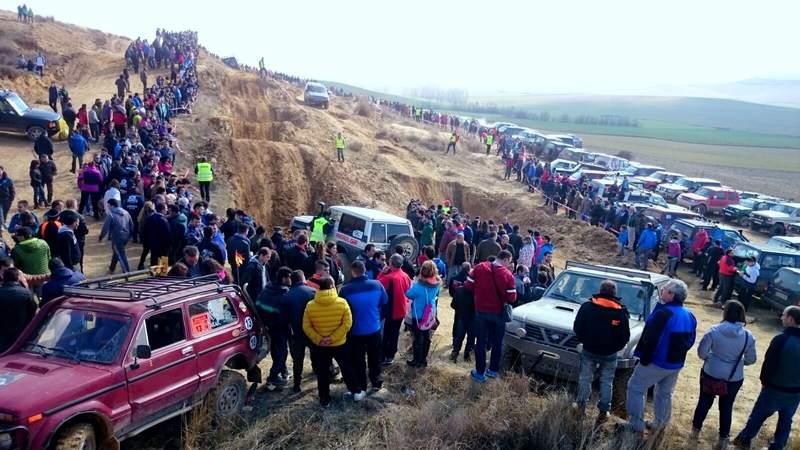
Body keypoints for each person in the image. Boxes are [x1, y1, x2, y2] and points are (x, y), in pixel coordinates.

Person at [621, 279, 696, 436]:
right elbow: (690, 341)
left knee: (635, 388)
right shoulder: (689, 315)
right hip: (675, 363)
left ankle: (636, 425)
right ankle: (660, 424)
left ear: (672, 294)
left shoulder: (663, 313)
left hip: (656, 361)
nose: (661, 291)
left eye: (664, 289)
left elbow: (650, 338)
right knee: (664, 393)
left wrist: (645, 358)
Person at [691, 300, 757, 449]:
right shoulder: (748, 336)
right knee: (726, 407)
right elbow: (751, 359)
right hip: (734, 378)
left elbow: (702, 353)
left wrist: (712, 359)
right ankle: (723, 440)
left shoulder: (713, 331)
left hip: (711, 373)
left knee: (703, 403)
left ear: (726, 313)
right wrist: (738, 363)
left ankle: (695, 432)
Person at [734, 306, 800, 450]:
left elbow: (768, 364)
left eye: (784, 315)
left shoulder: (781, 339)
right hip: (795, 392)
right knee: (786, 421)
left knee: (758, 416)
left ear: (790, 319)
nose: (782, 318)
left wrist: (765, 382)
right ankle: (778, 445)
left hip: (774, 389)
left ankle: (744, 440)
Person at [573, 280, 631, 423]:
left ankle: (581, 407)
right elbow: (625, 336)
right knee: (607, 382)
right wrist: (615, 348)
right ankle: (604, 412)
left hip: (589, 350)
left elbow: (577, 327)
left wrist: (584, 341)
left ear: (600, 290)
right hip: (609, 354)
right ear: (614, 293)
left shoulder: (587, 306)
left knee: (585, 379)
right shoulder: (620, 312)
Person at [302, 276, 355, 407]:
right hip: (339, 344)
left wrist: (319, 339)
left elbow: (306, 326)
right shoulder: (342, 302)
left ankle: (324, 399)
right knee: (346, 367)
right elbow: (347, 323)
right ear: (332, 286)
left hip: (320, 346)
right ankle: (354, 391)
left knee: (323, 372)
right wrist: (333, 338)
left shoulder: (310, 305)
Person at [465, 250, 517, 382]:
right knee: (497, 343)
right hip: (498, 313)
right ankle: (493, 370)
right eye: (509, 262)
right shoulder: (508, 275)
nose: (509, 265)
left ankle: (480, 372)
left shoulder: (480, 267)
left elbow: (469, 285)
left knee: (481, 342)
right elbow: (512, 297)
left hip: (481, 311)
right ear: (505, 260)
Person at [340, 260, 388, 396]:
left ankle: (361, 387)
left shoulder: (345, 290)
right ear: (365, 270)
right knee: (375, 357)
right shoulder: (377, 285)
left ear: (352, 272)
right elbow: (384, 303)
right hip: (374, 328)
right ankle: (376, 383)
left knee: (358, 360)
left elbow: (343, 311)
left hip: (355, 331)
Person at [256, 266, 293, 389]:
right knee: (282, 352)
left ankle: (284, 372)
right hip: (280, 328)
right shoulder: (285, 293)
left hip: (268, 327)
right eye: (289, 277)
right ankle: (272, 378)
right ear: (283, 279)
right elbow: (285, 314)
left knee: (275, 351)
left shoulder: (267, 288)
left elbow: (258, 305)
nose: (291, 280)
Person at [283, 270, 317, 392]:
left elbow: (284, 317)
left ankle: (297, 384)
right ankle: (317, 373)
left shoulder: (287, 296)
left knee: (297, 360)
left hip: (295, 333)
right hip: (312, 332)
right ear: (303, 278)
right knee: (316, 354)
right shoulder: (312, 292)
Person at [377, 254, 412, 366]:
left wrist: (383, 272)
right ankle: (391, 355)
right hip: (402, 308)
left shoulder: (389, 277)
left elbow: (378, 283)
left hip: (391, 310)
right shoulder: (405, 276)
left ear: (391, 263)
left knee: (387, 334)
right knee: (395, 332)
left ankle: (386, 356)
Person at [405, 260, 441, 368]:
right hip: (430, 314)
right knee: (427, 337)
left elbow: (408, 294)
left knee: (417, 338)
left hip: (419, 315)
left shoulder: (418, 287)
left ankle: (416, 360)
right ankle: (423, 360)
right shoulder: (437, 283)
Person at [0, 268, 37, 353]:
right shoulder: (26, 293)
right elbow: (33, 311)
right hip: (22, 332)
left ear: (4, 278)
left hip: (3, 333)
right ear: (17, 278)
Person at [450, 262, 476, 363]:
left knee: (459, 336)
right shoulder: (477, 293)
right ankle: (467, 355)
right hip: (473, 318)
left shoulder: (459, 291)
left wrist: (459, 310)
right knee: (471, 337)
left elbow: (453, 304)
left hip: (461, 316)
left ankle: (455, 353)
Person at [99, 198, 133, 273]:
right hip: (126, 236)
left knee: (120, 253)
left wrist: (101, 237)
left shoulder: (111, 215)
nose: (108, 207)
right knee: (117, 251)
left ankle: (127, 272)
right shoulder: (126, 212)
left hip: (117, 237)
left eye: (108, 206)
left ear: (112, 206)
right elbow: (131, 225)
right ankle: (112, 268)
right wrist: (130, 236)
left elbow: (105, 228)